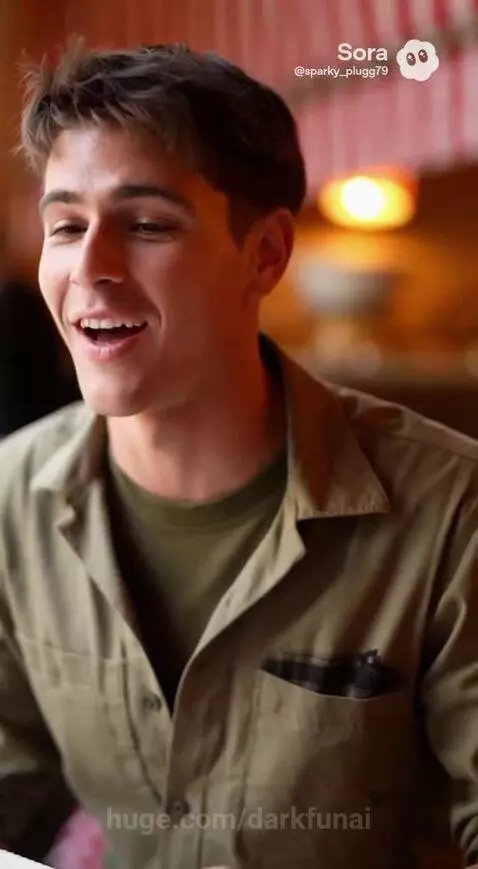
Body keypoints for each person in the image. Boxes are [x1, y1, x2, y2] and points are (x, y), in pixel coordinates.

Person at [0, 41, 477, 869]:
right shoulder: (9, 501)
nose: (90, 267)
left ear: (264, 254)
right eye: (66, 225)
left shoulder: (451, 510)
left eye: (147, 225)